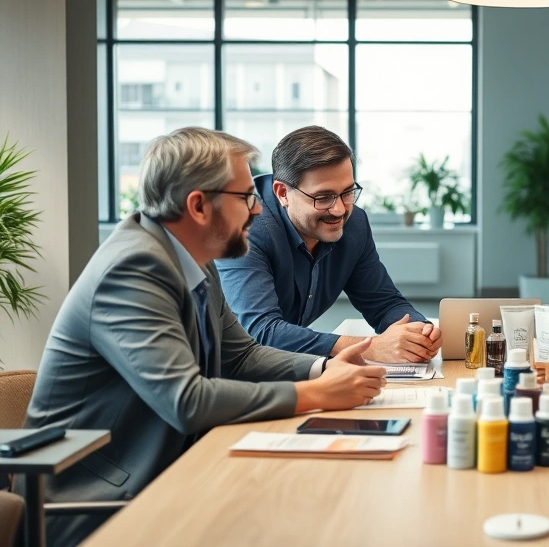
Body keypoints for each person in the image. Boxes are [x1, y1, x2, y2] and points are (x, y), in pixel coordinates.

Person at [22, 128, 388, 547]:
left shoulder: (194, 258)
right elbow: (186, 401)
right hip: (97, 504)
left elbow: (242, 357)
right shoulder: (132, 270)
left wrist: (325, 367)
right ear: (198, 205)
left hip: (174, 472)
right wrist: (318, 394)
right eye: (246, 198)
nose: (256, 211)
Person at [216, 126, 440, 363]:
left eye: (347, 192)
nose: (340, 210)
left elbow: (383, 303)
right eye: (323, 197)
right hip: (225, 374)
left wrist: (419, 332)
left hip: (285, 367)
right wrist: (367, 347)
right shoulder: (245, 228)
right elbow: (261, 331)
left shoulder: (355, 224)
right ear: (282, 193)